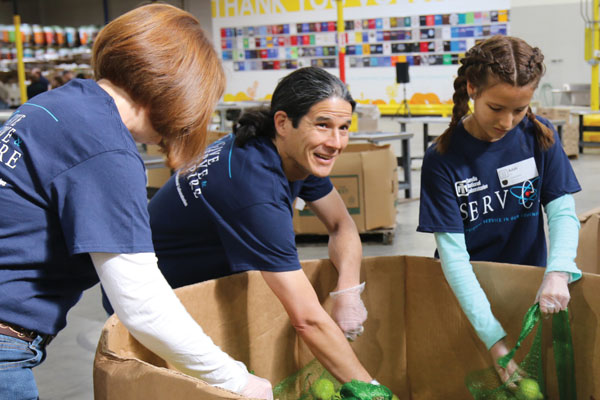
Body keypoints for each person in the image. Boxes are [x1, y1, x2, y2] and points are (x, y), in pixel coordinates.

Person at [0, 4, 272, 400]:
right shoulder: (105, 148)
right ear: (180, 90)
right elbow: (141, 303)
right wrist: (238, 381)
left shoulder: (56, 106)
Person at [109, 66, 376, 385]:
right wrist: (369, 389)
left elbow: (340, 225)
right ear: (283, 122)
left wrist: (348, 290)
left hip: (202, 288)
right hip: (155, 301)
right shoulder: (254, 189)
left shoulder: (288, 152)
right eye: (322, 125)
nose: (336, 142)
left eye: (343, 127)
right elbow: (307, 320)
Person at [417, 35, 582, 383]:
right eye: (496, 108)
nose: (507, 122)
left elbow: (563, 213)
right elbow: (454, 259)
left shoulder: (540, 137)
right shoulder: (442, 159)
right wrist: (494, 341)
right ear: (473, 89)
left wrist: (558, 270)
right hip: (466, 294)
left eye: (519, 110)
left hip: (527, 286)